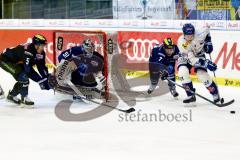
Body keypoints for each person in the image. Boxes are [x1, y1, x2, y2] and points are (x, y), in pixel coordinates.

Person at [0, 34, 51, 105]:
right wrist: (40, 81)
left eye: (44, 46)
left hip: (17, 62)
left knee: (23, 78)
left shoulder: (41, 53)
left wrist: (46, 78)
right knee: (24, 77)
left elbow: (41, 66)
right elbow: (28, 70)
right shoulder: (28, 51)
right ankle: (24, 98)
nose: (43, 48)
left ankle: (12, 95)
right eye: (42, 46)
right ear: (36, 45)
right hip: (5, 61)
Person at [177, 23, 221, 104]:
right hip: (186, 57)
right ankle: (190, 95)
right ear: (183, 34)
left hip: (199, 55)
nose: (189, 37)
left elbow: (207, 28)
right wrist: (206, 63)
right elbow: (191, 60)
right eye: (187, 35)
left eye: (191, 35)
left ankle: (215, 93)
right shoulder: (181, 43)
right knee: (182, 72)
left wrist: (208, 42)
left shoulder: (200, 32)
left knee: (202, 75)